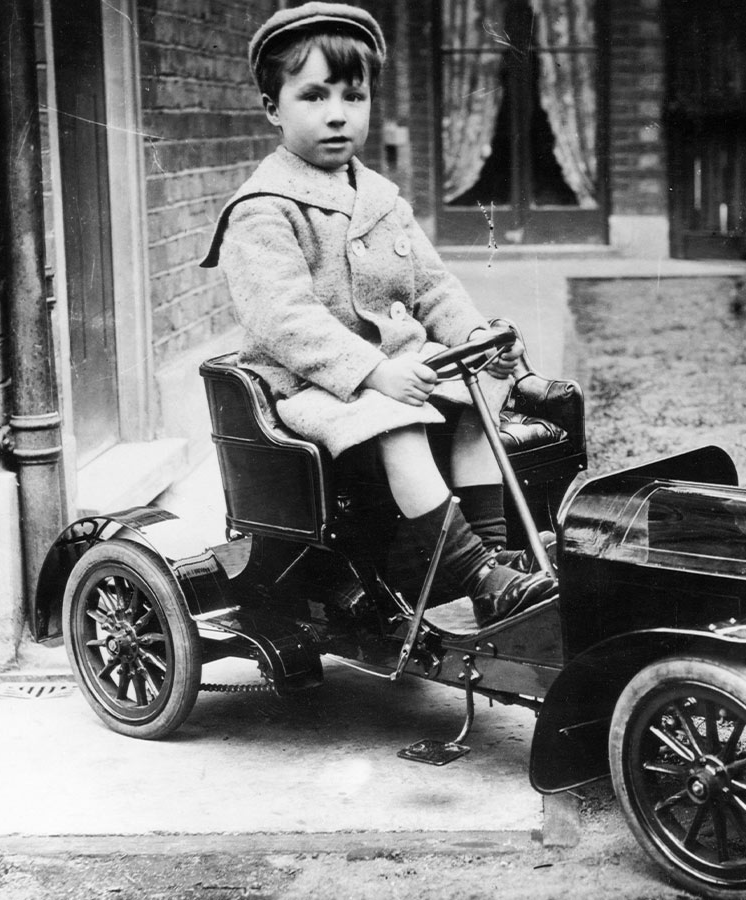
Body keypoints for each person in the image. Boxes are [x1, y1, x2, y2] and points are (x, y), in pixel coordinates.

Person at [201, 2, 555, 627]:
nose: (337, 114)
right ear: (271, 108)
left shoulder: (382, 198)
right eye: (312, 97)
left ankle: (496, 565)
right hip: (317, 386)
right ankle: (470, 571)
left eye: (354, 96)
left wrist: (474, 336)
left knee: (479, 401)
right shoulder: (263, 209)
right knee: (398, 421)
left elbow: (434, 287)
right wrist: (370, 372)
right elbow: (286, 321)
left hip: (397, 369)